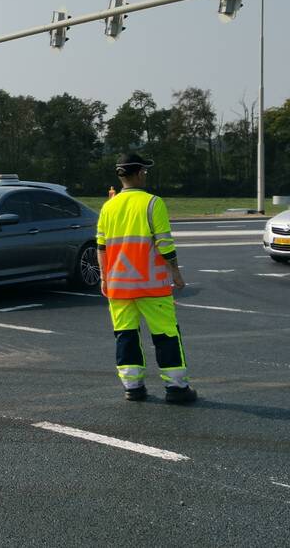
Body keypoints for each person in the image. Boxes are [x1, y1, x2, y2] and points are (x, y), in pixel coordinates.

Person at [96, 153, 196, 404]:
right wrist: (176, 272)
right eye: (145, 172)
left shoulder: (108, 206)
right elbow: (164, 244)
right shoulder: (153, 203)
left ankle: (133, 387)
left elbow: (101, 247)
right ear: (139, 173)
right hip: (152, 286)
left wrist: (104, 279)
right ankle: (176, 388)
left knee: (125, 336)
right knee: (165, 335)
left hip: (118, 286)